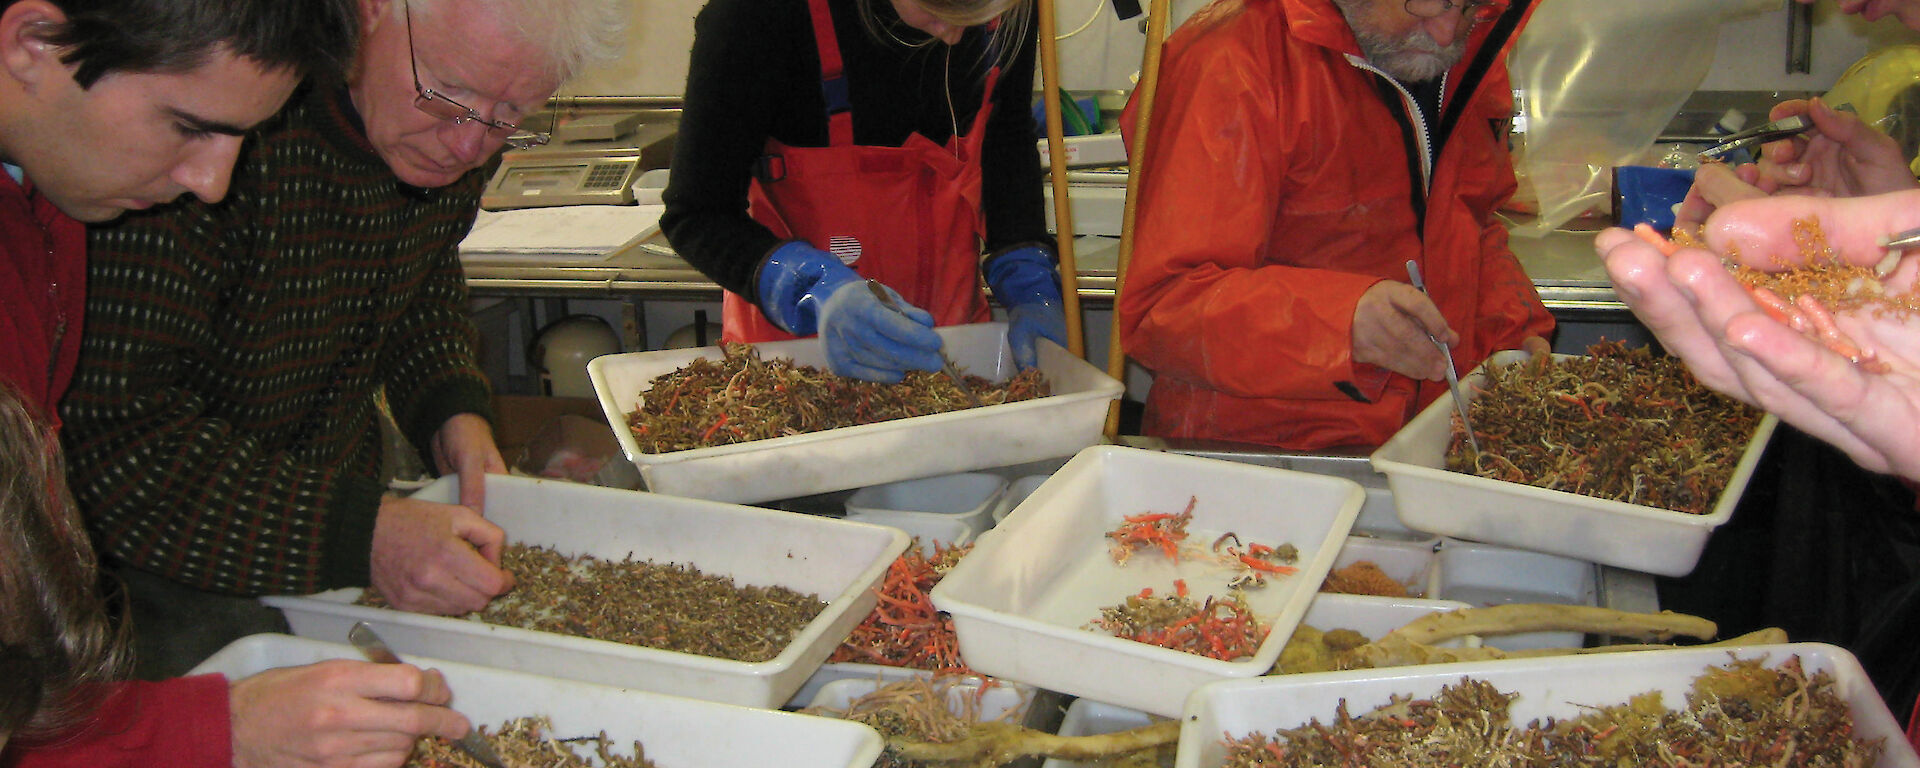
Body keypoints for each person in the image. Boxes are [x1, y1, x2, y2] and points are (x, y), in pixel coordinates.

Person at [55, 0, 628, 678]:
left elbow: (420, 284)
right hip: (145, 575)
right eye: (450, 94)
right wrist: (363, 533)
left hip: (322, 536)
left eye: (511, 116)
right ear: (371, 12)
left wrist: (452, 411)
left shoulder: (438, 138)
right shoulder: (214, 135)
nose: (470, 144)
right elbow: (113, 439)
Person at [0, 2, 477, 766]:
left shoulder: (51, 201)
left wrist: (449, 398)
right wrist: (216, 731)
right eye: (190, 127)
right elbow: (120, 441)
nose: (212, 183)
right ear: (34, 41)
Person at [1115, 0, 1555, 450]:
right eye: (1422, 4)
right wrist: (1342, 324)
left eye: (1469, 6)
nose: (1445, 34)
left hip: (1429, 443)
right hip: (1259, 457)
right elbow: (1163, 308)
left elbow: (1472, 223)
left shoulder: (1472, 53)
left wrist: (1513, 334)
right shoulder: (1232, 62)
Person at [661, 0, 1068, 382]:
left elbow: (1005, 141)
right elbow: (696, 213)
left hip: (948, 355)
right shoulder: (757, 15)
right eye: (940, 6)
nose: (954, 37)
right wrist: (809, 290)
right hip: (793, 367)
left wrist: (1026, 275)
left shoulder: (1000, 11)